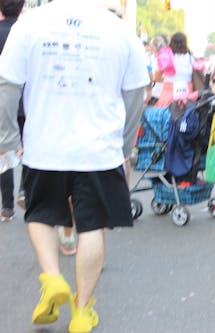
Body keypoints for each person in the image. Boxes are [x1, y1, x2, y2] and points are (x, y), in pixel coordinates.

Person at [0, 1, 149, 333]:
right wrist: (124, 145)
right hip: (99, 149)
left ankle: (52, 279)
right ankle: (82, 311)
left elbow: (6, 84)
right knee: (92, 226)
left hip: (44, 144)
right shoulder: (120, 29)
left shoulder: (30, 24)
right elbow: (137, 92)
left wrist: (7, 136)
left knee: (39, 214)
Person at [0, 0, 24, 222]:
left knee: (4, 149)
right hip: (26, 101)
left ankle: (7, 207)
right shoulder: (27, 32)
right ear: (22, 7)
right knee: (31, 146)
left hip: (2, 99)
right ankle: (26, 190)